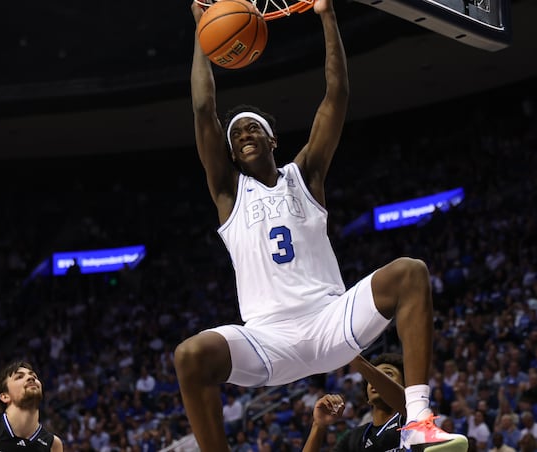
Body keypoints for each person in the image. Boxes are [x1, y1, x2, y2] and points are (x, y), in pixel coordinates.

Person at [176, 0, 467, 450]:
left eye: (252, 128)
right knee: (190, 355)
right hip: (266, 338)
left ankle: (420, 419)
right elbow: (202, 110)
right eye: (236, 136)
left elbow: (337, 95)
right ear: (230, 154)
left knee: (410, 272)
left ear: (273, 139)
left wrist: (328, 15)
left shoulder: (304, 173)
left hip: (331, 321)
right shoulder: (229, 193)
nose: (244, 136)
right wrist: (201, 32)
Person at [303, 353, 406, 452]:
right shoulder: (354, 438)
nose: (376, 381)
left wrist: (350, 354)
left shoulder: (412, 416)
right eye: (371, 378)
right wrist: (318, 425)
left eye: (388, 374)